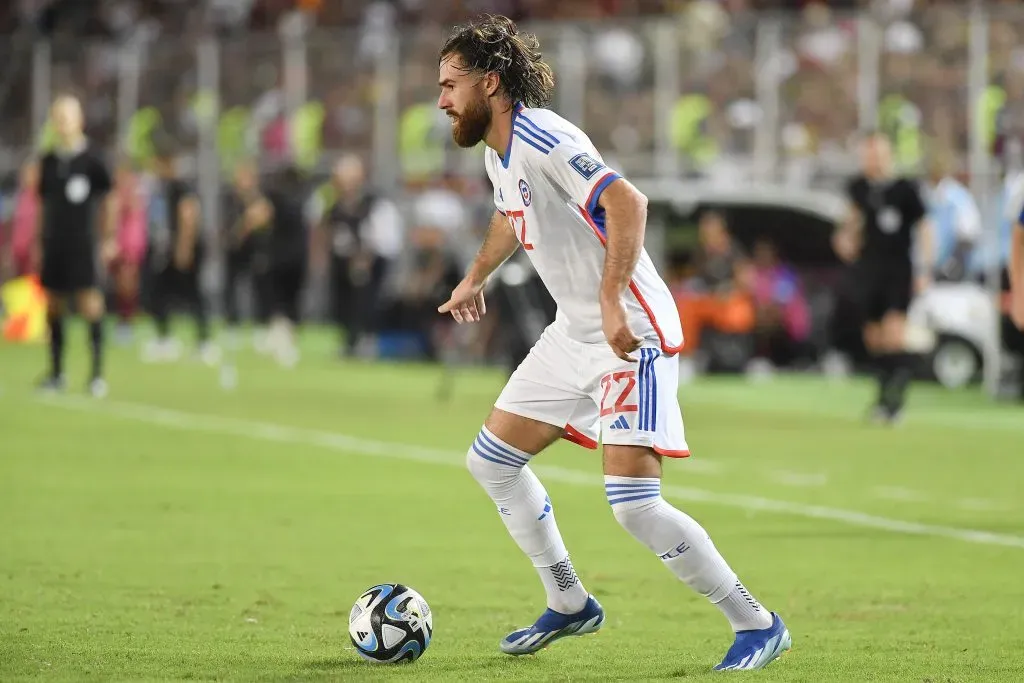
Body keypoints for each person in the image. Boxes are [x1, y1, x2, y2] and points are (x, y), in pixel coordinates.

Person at [434, 16, 789, 671]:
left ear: (490, 83)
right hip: (573, 334)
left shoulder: (545, 135)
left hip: (631, 334)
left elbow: (628, 202)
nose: (441, 99)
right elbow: (513, 214)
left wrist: (609, 296)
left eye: (451, 84)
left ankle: (757, 622)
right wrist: (475, 274)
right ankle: (569, 600)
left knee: (634, 506)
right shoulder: (496, 151)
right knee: (491, 462)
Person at [832, 131, 934, 423]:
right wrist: (844, 239)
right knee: (874, 338)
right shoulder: (860, 188)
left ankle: (895, 403)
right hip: (869, 270)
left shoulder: (905, 188)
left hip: (898, 270)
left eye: (876, 153)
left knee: (894, 334)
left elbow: (925, 229)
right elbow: (849, 223)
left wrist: (925, 267)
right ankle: (881, 399)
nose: (872, 159)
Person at [36, 95, 115, 397]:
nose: (63, 122)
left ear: (80, 120)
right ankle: (56, 373)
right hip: (55, 243)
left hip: (84, 242)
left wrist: (107, 238)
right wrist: (38, 241)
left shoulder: (93, 159)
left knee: (90, 303)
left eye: (68, 116)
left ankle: (96, 375)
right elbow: (43, 205)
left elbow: (109, 200)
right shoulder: (48, 161)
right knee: (53, 305)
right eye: (58, 117)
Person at [313, 154, 402, 358]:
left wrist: (363, 260)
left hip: (370, 261)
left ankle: (365, 339)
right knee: (340, 301)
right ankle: (347, 339)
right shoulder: (332, 204)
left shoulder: (374, 204)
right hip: (342, 260)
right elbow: (324, 230)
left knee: (365, 298)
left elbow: (381, 239)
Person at [144, 138, 213, 363]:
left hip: (184, 250)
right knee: (160, 294)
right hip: (169, 249)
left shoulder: (181, 186)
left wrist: (183, 248)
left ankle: (204, 342)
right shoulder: (163, 187)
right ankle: (165, 339)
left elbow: (188, 215)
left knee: (192, 295)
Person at [222, 161, 272, 347]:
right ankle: (231, 326)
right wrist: (248, 222)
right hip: (236, 252)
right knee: (232, 288)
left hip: (256, 253)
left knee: (260, 289)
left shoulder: (261, 200)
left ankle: (261, 327)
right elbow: (232, 233)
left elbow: (267, 226)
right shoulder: (230, 202)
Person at [109, 161, 148, 342]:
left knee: (128, 283)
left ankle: (127, 321)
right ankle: (122, 320)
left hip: (131, 242)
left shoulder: (133, 192)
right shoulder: (115, 192)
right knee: (119, 284)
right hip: (118, 241)